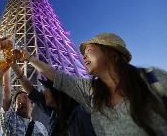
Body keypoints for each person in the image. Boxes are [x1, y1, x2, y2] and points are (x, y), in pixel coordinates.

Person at [20, 33, 167, 136]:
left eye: (89, 50)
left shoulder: (153, 78)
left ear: (111, 53)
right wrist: (28, 58)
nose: (83, 56)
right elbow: (56, 76)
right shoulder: (90, 92)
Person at [10, 60, 96, 136]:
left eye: (46, 88)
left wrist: (30, 58)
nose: (43, 92)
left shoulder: (81, 114)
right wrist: (15, 67)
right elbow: (32, 92)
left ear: (56, 90)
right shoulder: (55, 113)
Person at [1, 68, 48, 136]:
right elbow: (6, 93)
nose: (22, 101)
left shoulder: (40, 126)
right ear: (15, 107)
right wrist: (6, 71)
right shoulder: (10, 120)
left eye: (25, 98)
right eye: (19, 99)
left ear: (32, 105)